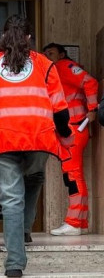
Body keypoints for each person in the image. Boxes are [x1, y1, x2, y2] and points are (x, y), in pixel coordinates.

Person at [0, 15, 73, 278]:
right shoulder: (44, 65)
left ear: (4, 35)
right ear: (29, 38)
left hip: (2, 139)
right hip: (39, 138)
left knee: (11, 198)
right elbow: (60, 108)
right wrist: (66, 134)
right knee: (35, 175)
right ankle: (25, 229)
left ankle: (15, 264)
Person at [43, 42, 99, 236]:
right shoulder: (60, 68)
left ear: (62, 54)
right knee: (73, 176)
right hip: (73, 129)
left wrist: (92, 110)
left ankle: (74, 223)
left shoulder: (62, 67)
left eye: (51, 53)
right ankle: (79, 223)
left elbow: (90, 82)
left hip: (74, 130)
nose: (48, 56)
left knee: (73, 176)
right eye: (45, 54)